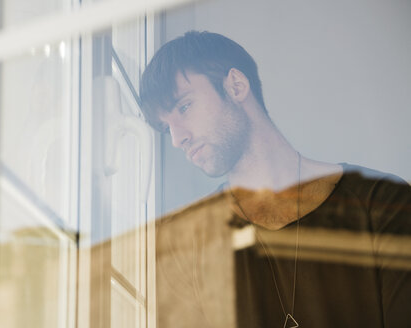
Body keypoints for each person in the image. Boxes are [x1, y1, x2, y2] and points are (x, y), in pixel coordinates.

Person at [140, 31, 411, 327]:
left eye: (184, 107)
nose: (178, 138)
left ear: (236, 86)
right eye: (167, 129)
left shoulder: (384, 202)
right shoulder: (182, 243)